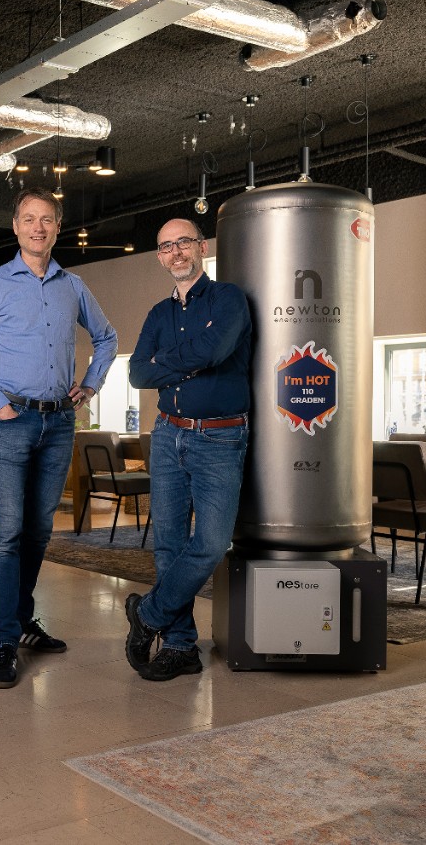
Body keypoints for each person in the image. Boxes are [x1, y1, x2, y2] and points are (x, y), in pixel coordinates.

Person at [0, 188, 118, 689]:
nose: (38, 228)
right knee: (6, 533)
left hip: (58, 424)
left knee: (38, 533)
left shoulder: (73, 286)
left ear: (57, 226)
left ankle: (23, 621)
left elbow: (107, 338)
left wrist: (91, 383)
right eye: (29, 219)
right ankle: (3, 642)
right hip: (9, 422)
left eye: (47, 220)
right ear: (15, 226)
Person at [124, 218, 252, 681]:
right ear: (160, 257)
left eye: (183, 243)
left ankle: (149, 613)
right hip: (167, 433)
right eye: (165, 247)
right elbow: (138, 373)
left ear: (200, 247)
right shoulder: (159, 314)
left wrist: (168, 365)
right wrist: (185, 363)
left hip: (219, 436)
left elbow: (215, 350)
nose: (175, 252)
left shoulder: (228, 299)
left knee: (213, 542)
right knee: (169, 544)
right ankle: (180, 646)